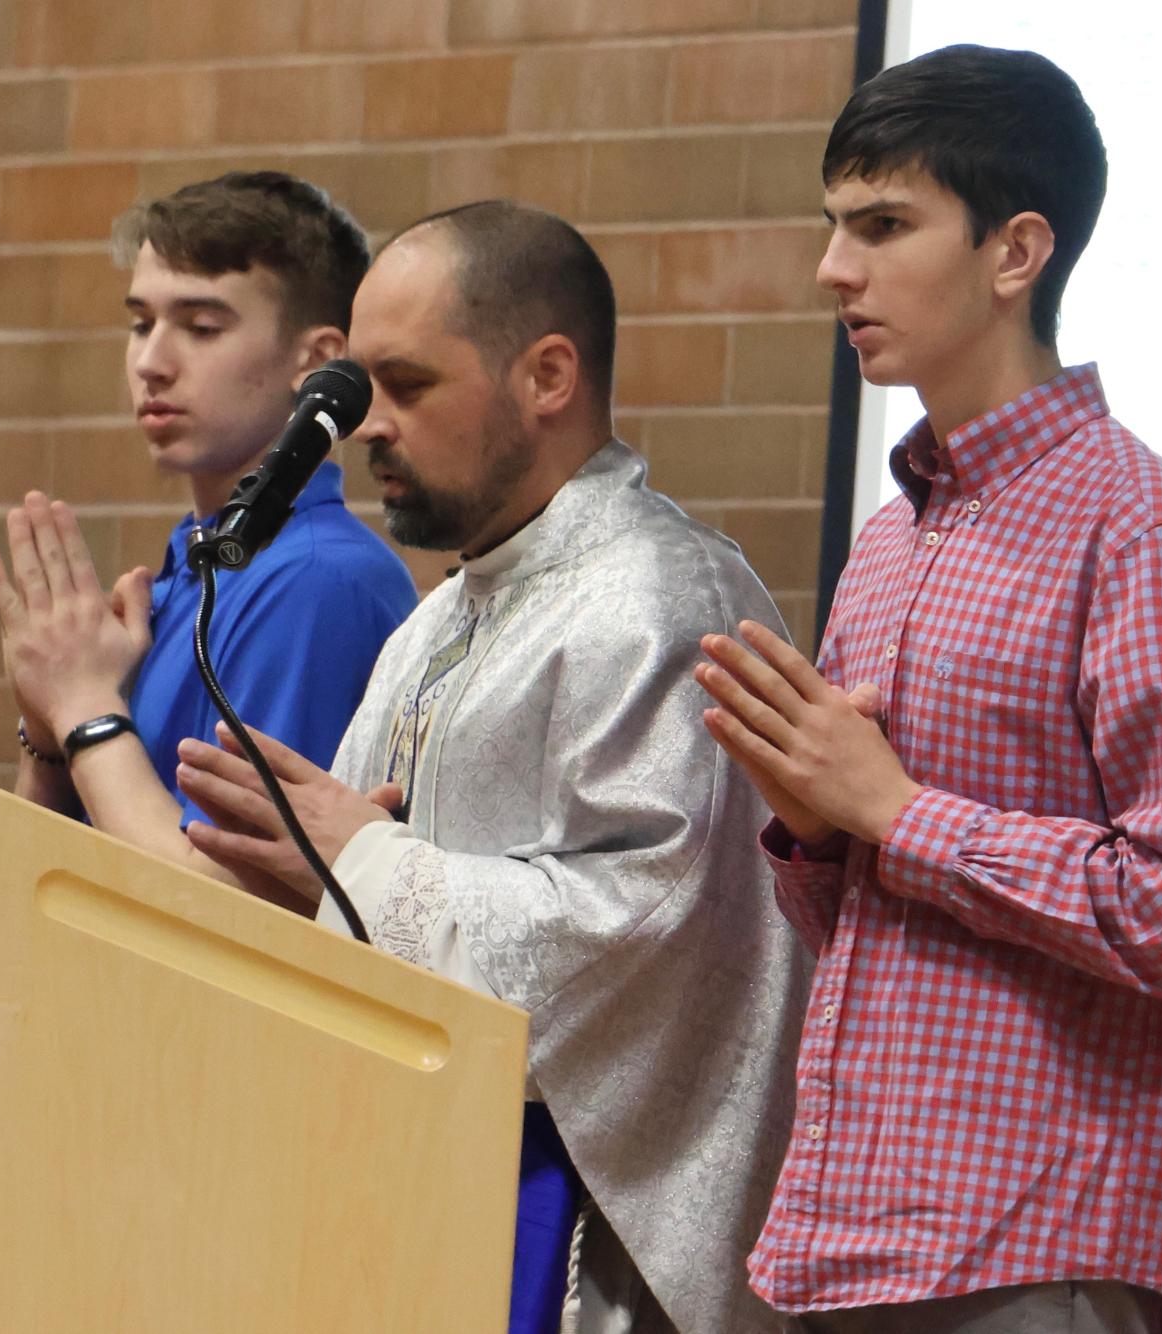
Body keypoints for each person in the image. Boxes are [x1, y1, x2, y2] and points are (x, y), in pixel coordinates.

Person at [696, 46, 1162, 1334]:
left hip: (1037, 1250)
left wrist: (898, 811)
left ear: (1017, 252)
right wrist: (814, 822)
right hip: (846, 1238)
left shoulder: (1150, 530)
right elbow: (860, 920)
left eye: (883, 225)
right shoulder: (892, 541)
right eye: (832, 226)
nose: (832, 270)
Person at [175, 200, 808, 1333]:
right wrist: (314, 886)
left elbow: (639, 926)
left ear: (548, 375)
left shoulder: (660, 604)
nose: (369, 427)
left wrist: (360, 859)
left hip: (591, 1253)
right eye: (363, 390)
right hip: (433, 1202)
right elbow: (360, 878)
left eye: (408, 386)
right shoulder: (439, 622)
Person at [0, 172, 416, 906]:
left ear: (316, 362)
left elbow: (228, 912)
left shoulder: (318, 581)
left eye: (201, 327)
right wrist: (50, 734)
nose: (151, 361)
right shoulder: (198, 566)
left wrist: (85, 709)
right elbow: (30, 887)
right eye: (140, 323)